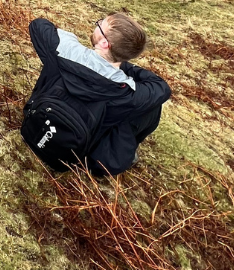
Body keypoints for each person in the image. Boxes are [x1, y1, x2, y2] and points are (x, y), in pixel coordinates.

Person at [26, 14, 171, 175]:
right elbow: (161, 88)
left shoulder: (63, 49)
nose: (98, 24)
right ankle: (115, 154)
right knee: (151, 109)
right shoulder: (126, 92)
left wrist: (75, 44)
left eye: (101, 24)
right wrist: (121, 64)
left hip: (35, 123)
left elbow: (38, 25)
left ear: (104, 43)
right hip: (79, 155)